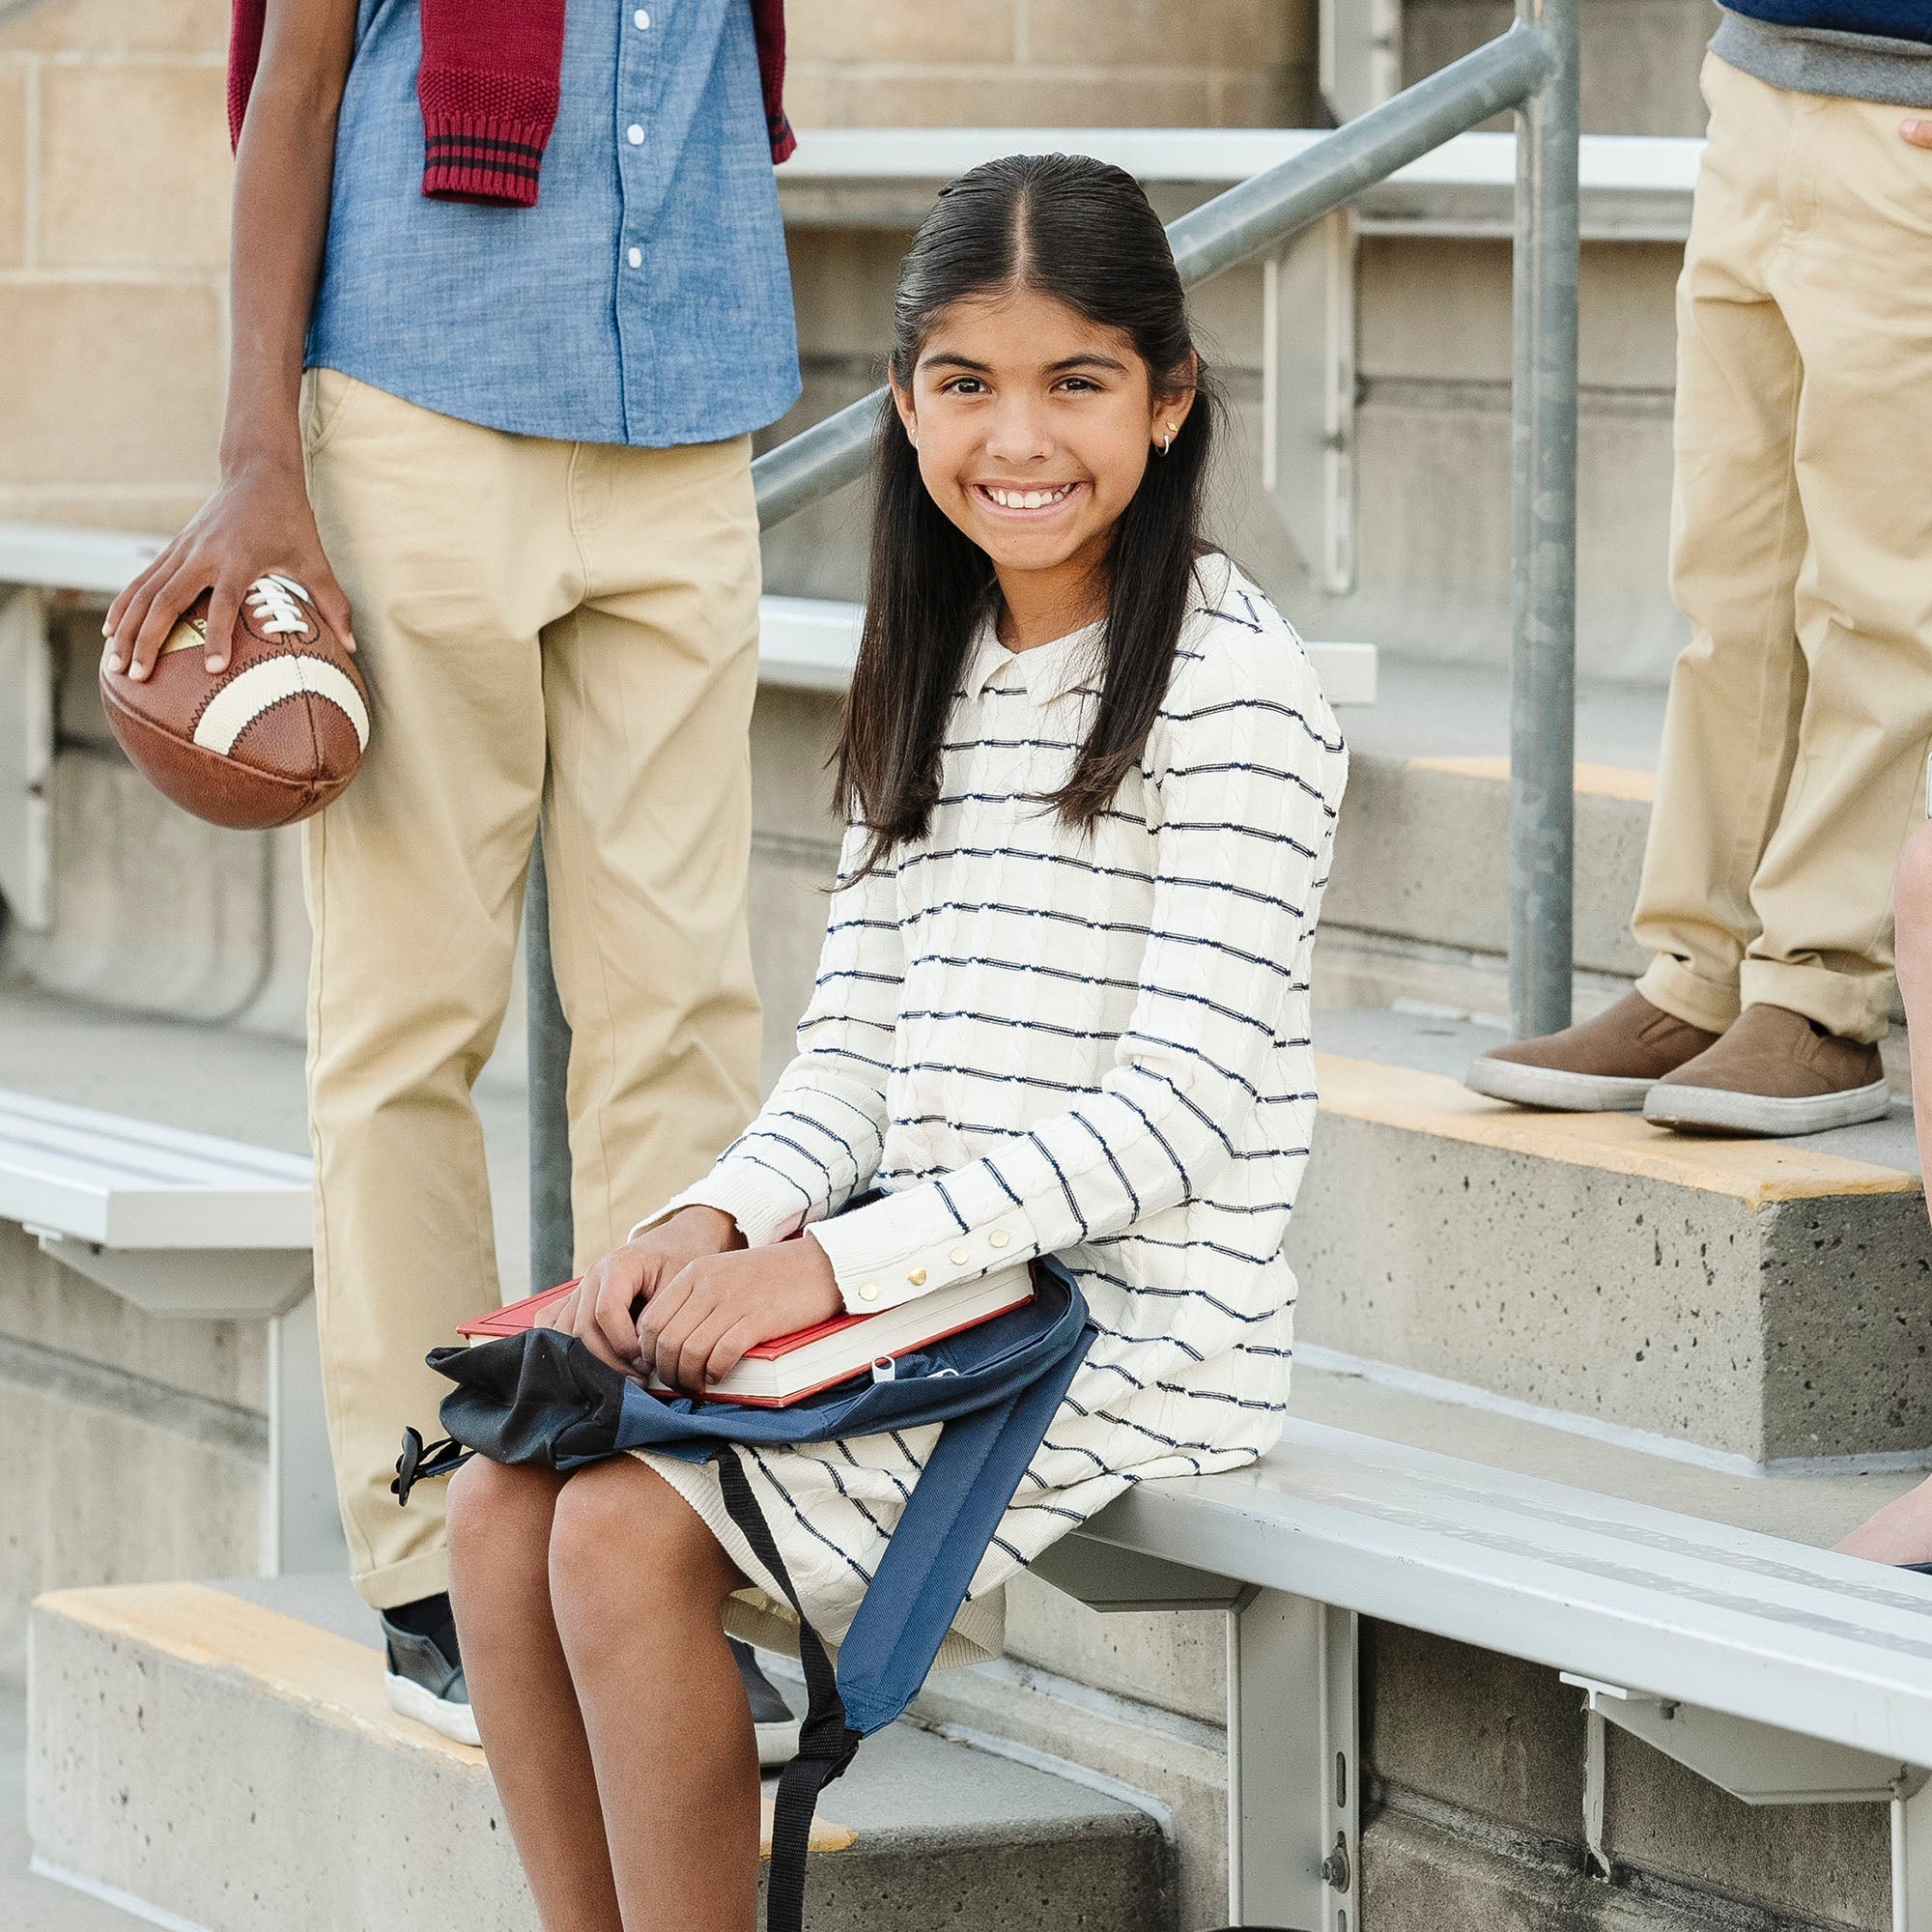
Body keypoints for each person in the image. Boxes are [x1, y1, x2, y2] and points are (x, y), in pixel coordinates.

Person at [440, 154, 1349, 1932]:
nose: (1019, 435)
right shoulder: (929, 664)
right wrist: (711, 1224)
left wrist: (819, 1270)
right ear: (906, 399)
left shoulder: (1239, 692)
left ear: (1171, 403)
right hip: (928, 1283)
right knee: (494, 1505)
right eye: (967, 382)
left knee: (624, 1532)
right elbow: (850, 1053)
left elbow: (1174, 1119)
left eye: (1078, 380)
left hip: (1132, 1319)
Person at [100, 0, 802, 1750]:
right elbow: (299, 82)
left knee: (681, 1010)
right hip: (425, 394)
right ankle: (432, 1554)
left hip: (691, 404)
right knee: (414, 1010)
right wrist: (262, 453)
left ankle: (662, 1539)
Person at [1468, 2, 1932, 1138]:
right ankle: (1701, 974)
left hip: (1908, 112)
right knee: (1729, 582)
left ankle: (1820, 998)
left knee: (1875, 593)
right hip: (1752, 82)